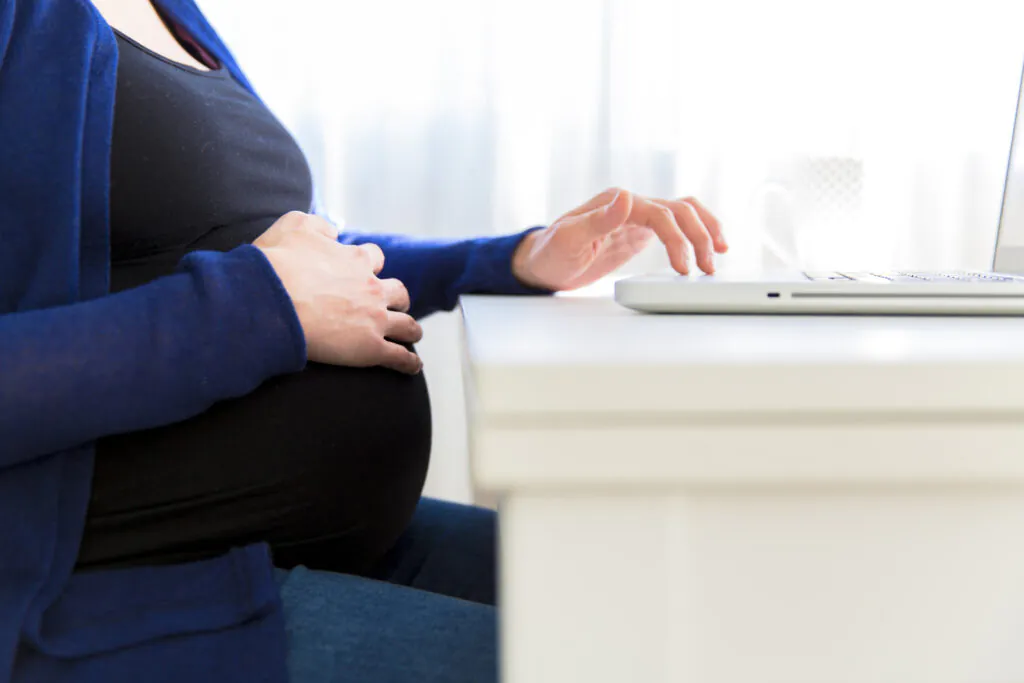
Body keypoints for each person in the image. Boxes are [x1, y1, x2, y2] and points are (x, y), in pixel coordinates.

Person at [0, 0, 728, 681]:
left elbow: (302, 262)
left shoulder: (170, 12)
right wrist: (257, 306)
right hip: (102, 595)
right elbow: (272, 287)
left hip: (290, 538)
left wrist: (514, 258)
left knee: (687, 607)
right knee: (632, 657)